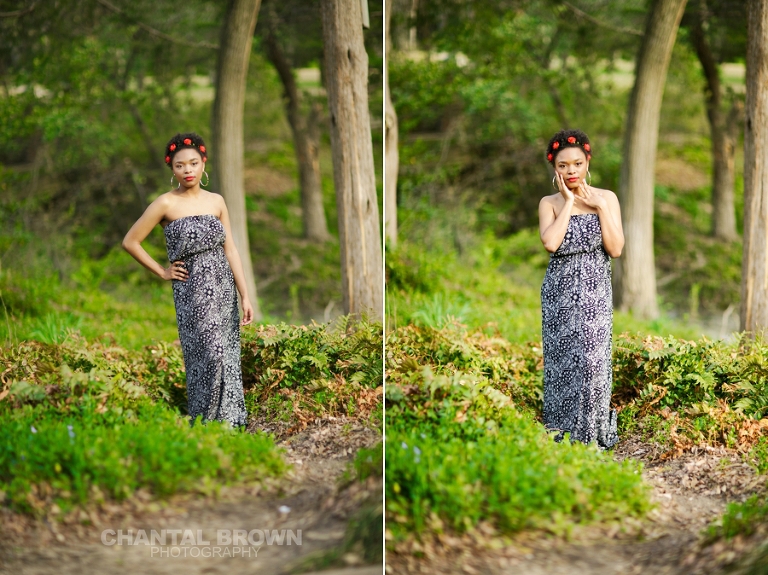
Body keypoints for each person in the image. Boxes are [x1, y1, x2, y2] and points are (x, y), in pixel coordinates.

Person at [122, 132, 252, 429]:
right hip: (192, 289)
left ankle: (231, 423)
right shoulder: (165, 203)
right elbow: (131, 241)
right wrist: (162, 271)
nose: (188, 170)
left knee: (227, 352)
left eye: (193, 163)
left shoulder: (217, 201)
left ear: (203, 164)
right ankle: (206, 422)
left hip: (223, 286)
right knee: (209, 354)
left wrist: (244, 295)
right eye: (180, 165)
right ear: (172, 169)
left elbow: (230, 248)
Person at [538, 129, 624, 449]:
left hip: (595, 291)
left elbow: (615, 249)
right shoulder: (549, 203)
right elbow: (551, 243)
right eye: (563, 166)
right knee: (564, 360)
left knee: (592, 359)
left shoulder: (608, 198)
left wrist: (599, 206)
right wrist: (570, 201)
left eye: (577, 163)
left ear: (588, 162)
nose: (571, 171)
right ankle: (562, 429)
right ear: (555, 169)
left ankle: (591, 432)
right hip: (560, 293)